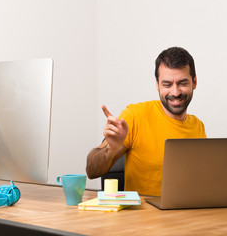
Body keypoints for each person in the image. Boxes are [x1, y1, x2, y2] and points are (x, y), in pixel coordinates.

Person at [86, 47, 206, 196]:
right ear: (157, 84)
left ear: (194, 82)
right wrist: (111, 148)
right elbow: (92, 171)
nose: (175, 92)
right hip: (141, 216)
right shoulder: (135, 116)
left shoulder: (198, 126)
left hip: (186, 215)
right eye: (167, 84)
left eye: (182, 83)